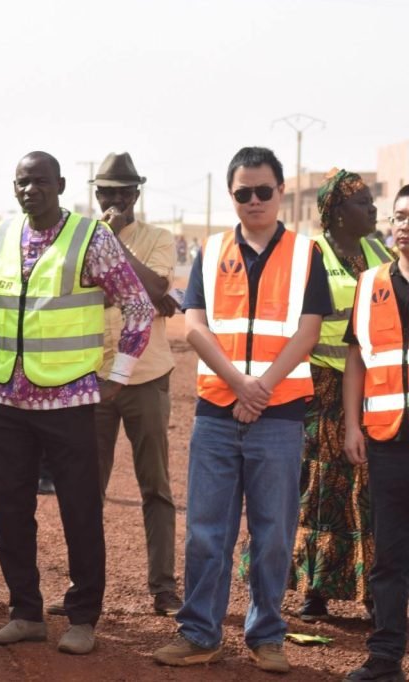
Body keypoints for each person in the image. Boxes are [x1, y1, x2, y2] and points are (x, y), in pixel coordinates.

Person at [153, 147, 330, 674]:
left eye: (263, 191)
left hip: (278, 415)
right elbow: (194, 325)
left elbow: (309, 330)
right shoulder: (211, 250)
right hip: (216, 411)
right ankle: (200, 633)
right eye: (242, 193)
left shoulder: (305, 254)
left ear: (280, 192)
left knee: (274, 532)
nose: (253, 201)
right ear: (232, 196)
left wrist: (262, 389)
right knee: (208, 530)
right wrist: (238, 385)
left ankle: (266, 635)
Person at [0, 151, 154, 656]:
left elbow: (139, 307)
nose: (31, 190)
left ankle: (82, 618)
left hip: (71, 398)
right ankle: (25, 612)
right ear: (15, 188)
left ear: (61, 185)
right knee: (10, 509)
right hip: (6, 396)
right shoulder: (4, 234)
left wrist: (118, 374)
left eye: (40, 181)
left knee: (79, 511)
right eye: (23, 182)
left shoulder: (90, 237)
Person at [290, 169, 390, 623]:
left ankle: (371, 589)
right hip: (316, 386)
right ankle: (315, 589)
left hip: (365, 386)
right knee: (318, 488)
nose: (372, 209)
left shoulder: (379, 251)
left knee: (366, 487)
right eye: (362, 202)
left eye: (372, 201)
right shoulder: (310, 253)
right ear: (335, 214)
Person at [89, 152, 182, 617]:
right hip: (94, 377)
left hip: (146, 374)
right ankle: (85, 586)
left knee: (156, 487)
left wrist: (112, 246)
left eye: (122, 193)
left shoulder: (157, 238)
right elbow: (82, 295)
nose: (113, 200)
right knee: (88, 487)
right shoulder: (79, 239)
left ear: (135, 195)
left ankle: (163, 586)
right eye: (105, 193)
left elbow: (154, 292)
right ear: (96, 194)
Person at [342, 184, 409, 682]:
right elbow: (355, 359)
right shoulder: (370, 284)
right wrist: (351, 425)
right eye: (400, 215)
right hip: (387, 437)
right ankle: (386, 657)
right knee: (389, 554)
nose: (404, 224)